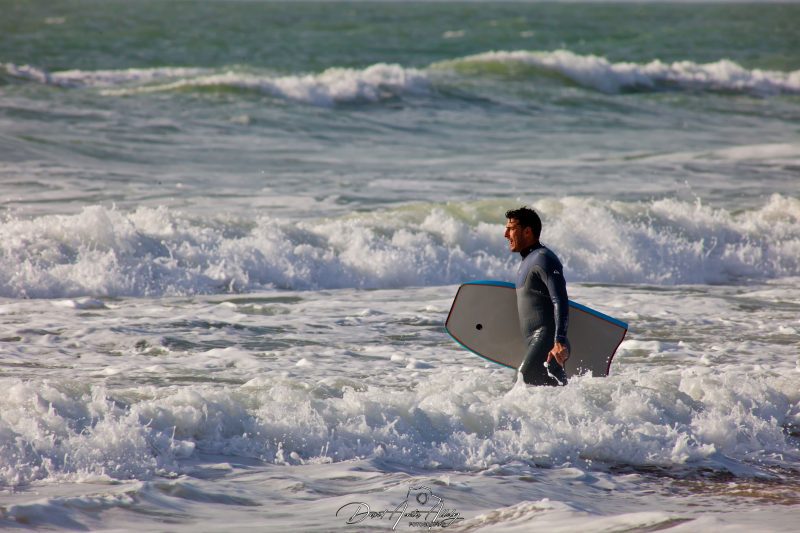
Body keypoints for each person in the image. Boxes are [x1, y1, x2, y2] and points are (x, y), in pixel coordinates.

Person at [504, 207, 570, 386]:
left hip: (547, 341)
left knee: (519, 389)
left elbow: (561, 300)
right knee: (551, 395)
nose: (505, 234)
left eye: (511, 228)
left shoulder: (543, 258)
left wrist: (559, 341)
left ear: (527, 231)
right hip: (537, 342)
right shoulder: (527, 261)